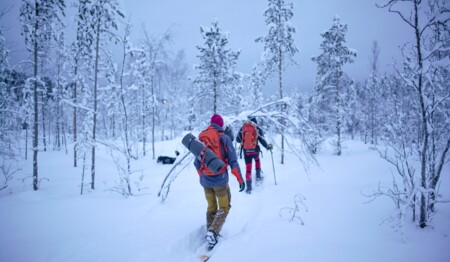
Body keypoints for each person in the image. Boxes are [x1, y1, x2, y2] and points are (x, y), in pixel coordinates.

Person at [194, 114, 245, 249]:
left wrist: (202, 176)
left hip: (206, 181)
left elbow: (196, 163)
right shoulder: (225, 138)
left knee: (211, 207)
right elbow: (233, 161)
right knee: (224, 207)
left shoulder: (201, 138)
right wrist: (240, 179)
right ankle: (213, 232)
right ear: (221, 125)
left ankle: (211, 233)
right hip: (220, 181)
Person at [236, 117, 273, 194]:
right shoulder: (257, 128)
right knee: (257, 161)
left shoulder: (243, 128)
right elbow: (262, 140)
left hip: (246, 152)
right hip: (255, 151)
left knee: (248, 168)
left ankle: (249, 187)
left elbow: (238, 139)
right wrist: (267, 146)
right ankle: (258, 176)